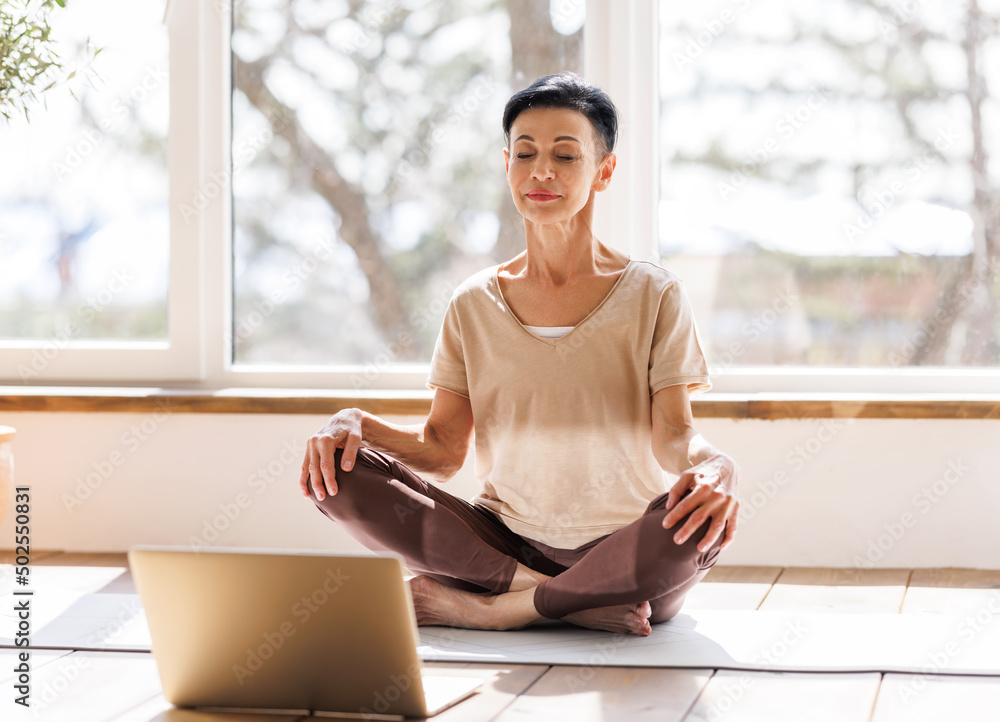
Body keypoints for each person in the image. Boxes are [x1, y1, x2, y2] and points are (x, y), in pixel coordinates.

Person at [300, 72, 740, 637]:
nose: (541, 171)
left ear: (604, 171)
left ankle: (494, 609)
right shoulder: (471, 304)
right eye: (525, 153)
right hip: (498, 543)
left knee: (695, 528)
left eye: (565, 155)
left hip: (622, 544)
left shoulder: (654, 295)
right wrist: (355, 424)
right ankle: (566, 600)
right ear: (506, 163)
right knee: (339, 472)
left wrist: (717, 466)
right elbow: (440, 451)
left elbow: (674, 437)